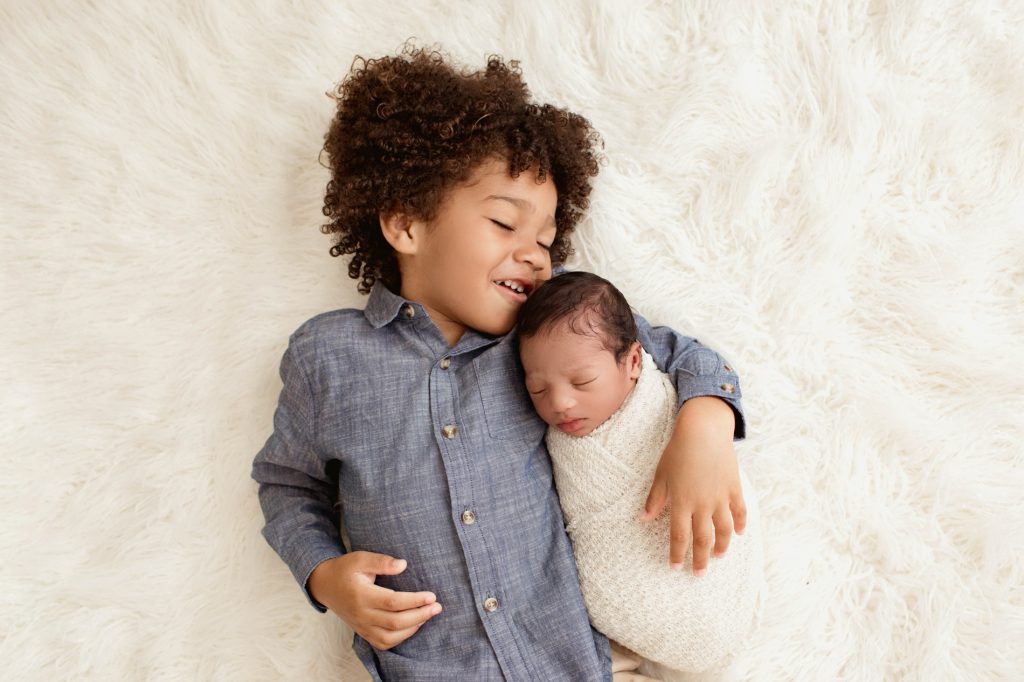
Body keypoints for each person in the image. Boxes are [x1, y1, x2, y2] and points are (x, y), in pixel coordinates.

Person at [251, 43, 747, 682]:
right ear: (406, 224)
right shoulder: (328, 355)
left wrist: (704, 432)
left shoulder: (550, 327)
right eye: (505, 224)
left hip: (568, 661)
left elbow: (683, 356)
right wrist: (325, 576)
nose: (536, 256)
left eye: (545, 239)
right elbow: (289, 484)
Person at [516, 271, 763, 676]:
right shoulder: (554, 413)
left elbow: (698, 362)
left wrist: (703, 427)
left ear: (633, 362)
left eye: (583, 381)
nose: (559, 403)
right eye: (537, 390)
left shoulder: (649, 386)